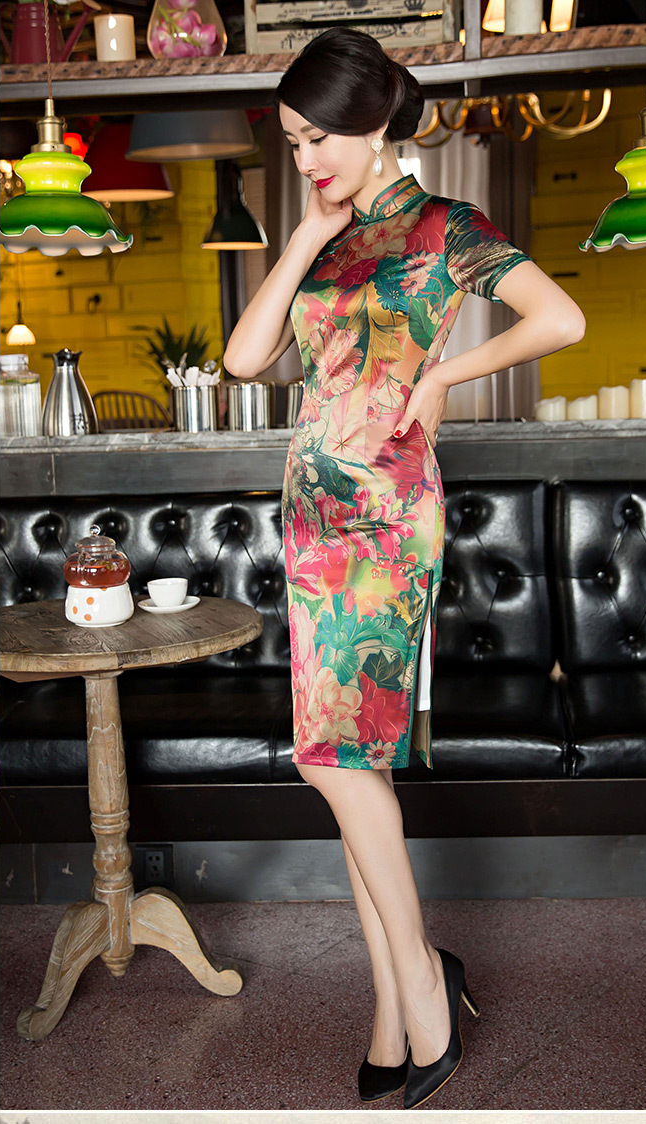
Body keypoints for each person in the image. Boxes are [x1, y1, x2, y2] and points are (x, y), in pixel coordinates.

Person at [223, 26, 585, 1109]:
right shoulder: (324, 233)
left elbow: (560, 318)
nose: (308, 157)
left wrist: (445, 378)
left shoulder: (446, 227)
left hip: (386, 518)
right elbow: (245, 358)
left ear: (376, 121)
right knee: (351, 766)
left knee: (335, 760)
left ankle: (424, 983)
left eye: (322, 136)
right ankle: (397, 1000)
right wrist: (303, 235)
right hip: (310, 517)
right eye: (293, 141)